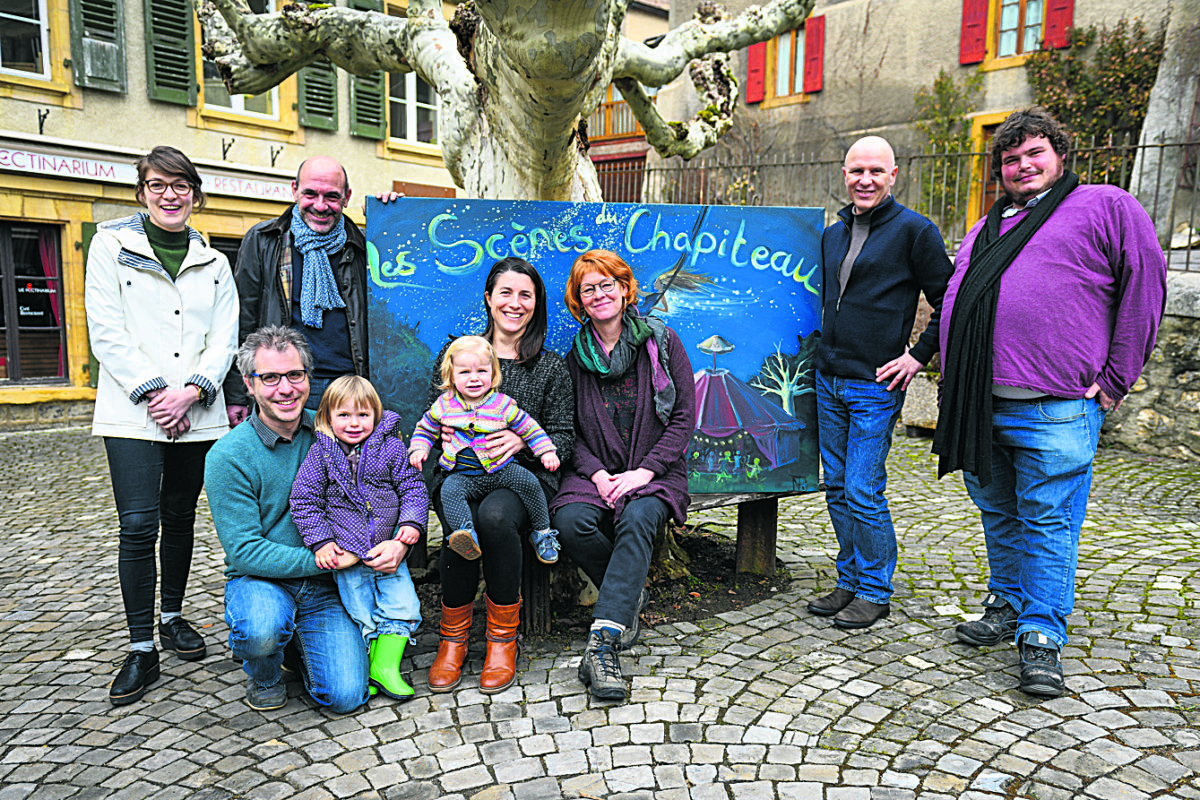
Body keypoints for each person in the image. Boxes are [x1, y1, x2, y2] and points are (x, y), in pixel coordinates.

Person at [934, 108, 1166, 697]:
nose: (1022, 166)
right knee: (1000, 515)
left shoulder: (1106, 206)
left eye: (1034, 153)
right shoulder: (990, 225)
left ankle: (1041, 635)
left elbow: (1146, 288)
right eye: (1010, 160)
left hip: (1054, 407)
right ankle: (1008, 605)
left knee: (1048, 522)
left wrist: (1114, 381)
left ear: (1061, 155)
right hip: (979, 405)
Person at [85, 146, 239, 706]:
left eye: (181, 185)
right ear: (142, 192)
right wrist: (155, 393)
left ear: (195, 195)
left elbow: (224, 337)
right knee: (138, 524)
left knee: (179, 516)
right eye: (158, 185)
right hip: (134, 411)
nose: (170, 195)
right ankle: (140, 647)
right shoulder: (110, 247)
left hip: (195, 410)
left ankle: (172, 617)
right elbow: (105, 331)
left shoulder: (215, 262)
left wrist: (194, 391)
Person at [206, 327, 410, 712]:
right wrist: (327, 558)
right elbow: (243, 549)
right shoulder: (227, 456)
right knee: (261, 629)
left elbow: (393, 488)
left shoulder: (337, 430)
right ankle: (263, 670)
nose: (285, 388)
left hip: (326, 586)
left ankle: (298, 647)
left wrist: (399, 540)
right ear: (250, 385)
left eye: (295, 375)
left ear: (308, 378)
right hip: (262, 579)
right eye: (270, 377)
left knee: (346, 696)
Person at [808, 136, 953, 631]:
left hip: (875, 385)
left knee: (863, 489)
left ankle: (875, 590)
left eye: (875, 171)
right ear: (844, 175)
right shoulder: (832, 233)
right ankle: (848, 580)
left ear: (894, 174)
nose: (864, 180)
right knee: (837, 488)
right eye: (855, 171)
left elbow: (949, 300)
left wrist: (918, 357)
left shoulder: (916, 231)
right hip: (829, 380)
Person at [425, 258, 575, 695]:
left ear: (537, 304)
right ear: (489, 299)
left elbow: (564, 438)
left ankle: (500, 641)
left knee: (493, 518)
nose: (515, 303)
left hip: (523, 478)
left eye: (525, 295)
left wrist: (523, 442)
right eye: (505, 293)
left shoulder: (550, 367)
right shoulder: (458, 354)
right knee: (461, 519)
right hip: (461, 472)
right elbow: (431, 422)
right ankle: (452, 641)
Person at [552, 249, 696, 703]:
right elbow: (567, 431)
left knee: (638, 518)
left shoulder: (663, 342)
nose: (599, 295)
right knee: (570, 522)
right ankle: (628, 596)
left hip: (654, 471)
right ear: (579, 299)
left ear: (625, 288)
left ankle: (604, 643)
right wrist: (597, 476)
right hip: (595, 473)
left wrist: (643, 472)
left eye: (606, 284)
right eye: (587, 289)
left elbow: (683, 419)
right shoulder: (574, 360)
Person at [289, 375, 428, 701]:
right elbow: (304, 501)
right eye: (344, 416)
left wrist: (410, 526)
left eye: (363, 415)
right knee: (360, 612)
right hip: (348, 557)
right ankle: (369, 666)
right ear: (327, 418)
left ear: (376, 416)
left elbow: (413, 488)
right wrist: (321, 542)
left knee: (402, 605)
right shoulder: (320, 455)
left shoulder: (391, 448)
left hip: (387, 552)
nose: (354, 424)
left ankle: (386, 667)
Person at [223, 156, 369, 422]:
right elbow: (241, 321)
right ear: (294, 190)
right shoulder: (263, 240)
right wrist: (236, 395)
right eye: (310, 194)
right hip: (284, 387)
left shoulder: (365, 245)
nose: (320, 205)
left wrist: (392, 215)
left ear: (347, 197)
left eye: (332, 197)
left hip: (350, 388)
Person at [409, 336, 561, 564]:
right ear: (451, 376)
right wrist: (420, 448)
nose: (474, 378)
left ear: (493, 374)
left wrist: (546, 451)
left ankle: (542, 532)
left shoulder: (502, 405)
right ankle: (466, 536)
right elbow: (425, 428)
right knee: (448, 492)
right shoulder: (443, 405)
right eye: (464, 373)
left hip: (501, 469)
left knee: (530, 483)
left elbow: (530, 428)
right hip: (462, 476)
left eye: (481, 371)